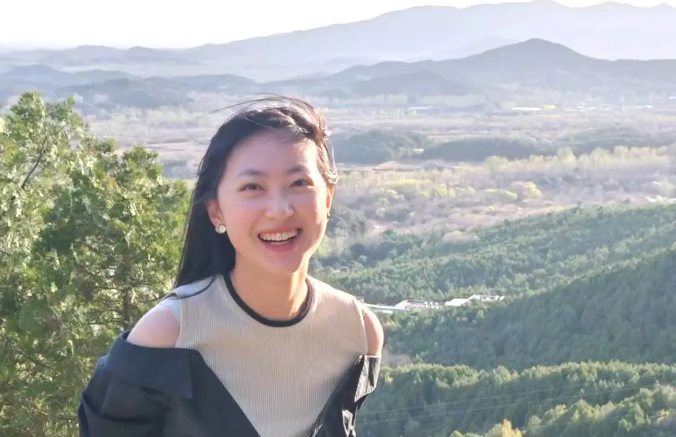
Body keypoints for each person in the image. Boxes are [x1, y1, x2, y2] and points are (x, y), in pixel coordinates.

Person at [77, 96, 384, 437]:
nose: (280, 210)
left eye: (299, 183)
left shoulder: (357, 331)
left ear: (327, 198)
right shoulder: (169, 335)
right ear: (216, 211)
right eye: (253, 187)